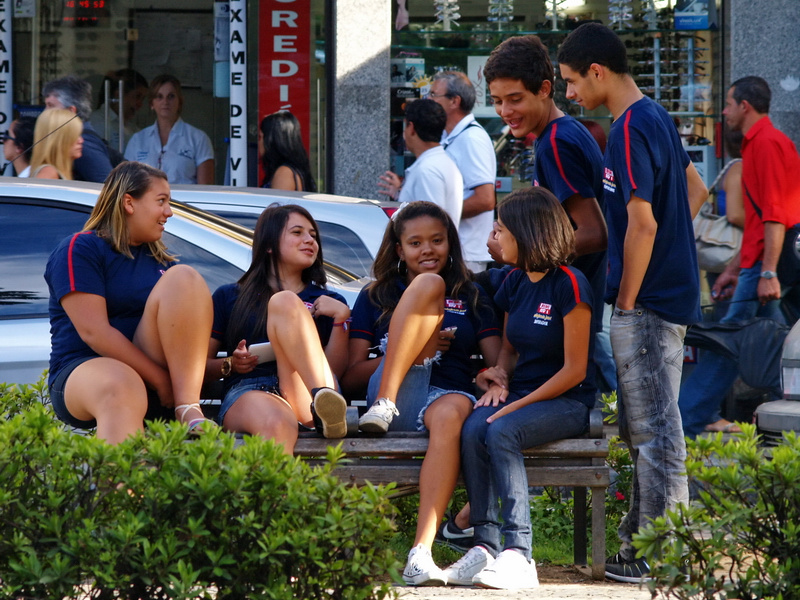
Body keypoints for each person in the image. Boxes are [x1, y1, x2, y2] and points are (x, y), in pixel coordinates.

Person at [557, 22, 708, 582]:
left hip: (644, 304)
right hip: (666, 297)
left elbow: (640, 223)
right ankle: (644, 546)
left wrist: (626, 298)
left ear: (598, 71)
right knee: (650, 429)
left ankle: (664, 558)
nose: (570, 94)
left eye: (572, 81)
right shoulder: (657, 116)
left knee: (654, 435)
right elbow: (696, 191)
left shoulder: (625, 130)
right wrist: (667, 254)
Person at [441, 186, 594, 590]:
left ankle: (520, 555)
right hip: (523, 394)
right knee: (475, 427)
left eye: (501, 229)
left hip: (567, 401)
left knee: (501, 429)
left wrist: (515, 406)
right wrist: (499, 378)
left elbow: (575, 369)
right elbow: (508, 348)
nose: (495, 236)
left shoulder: (571, 285)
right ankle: (485, 545)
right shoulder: (514, 281)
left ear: (527, 233)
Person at [342, 201, 501, 586]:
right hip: (393, 397)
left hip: (448, 394)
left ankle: (420, 554)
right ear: (399, 249)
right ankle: (387, 400)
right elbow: (349, 377)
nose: (427, 250)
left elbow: (496, 363)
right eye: (415, 243)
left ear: (451, 243)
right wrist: (414, 346)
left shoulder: (473, 293)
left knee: (450, 415)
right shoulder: (375, 296)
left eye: (437, 240)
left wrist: (490, 376)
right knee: (428, 286)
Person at [43, 161, 214, 445]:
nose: (168, 213)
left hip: (150, 368)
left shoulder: (161, 262)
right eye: (161, 201)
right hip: (84, 368)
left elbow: (185, 341)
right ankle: (121, 489)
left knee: (184, 277)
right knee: (122, 384)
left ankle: (187, 406)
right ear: (129, 203)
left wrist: (231, 364)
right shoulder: (81, 248)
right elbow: (94, 332)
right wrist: (160, 381)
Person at [681, 77, 800, 437]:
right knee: (771, 339)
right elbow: (757, 220)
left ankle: (691, 414)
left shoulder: (766, 144)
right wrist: (736, 268)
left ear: (745, 106)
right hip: (761, 263)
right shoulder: (759, 144)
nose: (724, 111)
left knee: (731, 340)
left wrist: (765, 273)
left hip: (768, 263)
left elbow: (775, 215)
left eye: (729, 104)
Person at [483, 34, 608, 356]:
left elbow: (594, 234)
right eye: (497, 101)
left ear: (544, 89)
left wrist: (520, 254)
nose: (505, 111)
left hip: (572, 308)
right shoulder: (565, 131)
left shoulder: (556, 143)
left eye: (515, 99)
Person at [206, 204, 350, 453]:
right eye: (297, 233)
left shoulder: (330, 301)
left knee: (285, 302)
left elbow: (333, 370)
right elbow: (199, 367)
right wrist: (230, 364)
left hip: (307, 394)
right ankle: (283, 493)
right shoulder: (230, 296)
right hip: (250, 390)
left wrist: (340, 319)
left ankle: (323, 400)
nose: (310, 241)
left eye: (313, 235)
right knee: (276, 423)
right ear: (269, 245)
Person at [679, 128, 748, 437]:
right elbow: (735, 214)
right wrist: (770, 219)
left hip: (722, 262)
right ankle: (697, 411)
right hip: (732, 261)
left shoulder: (734, 167)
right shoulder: (739, 167)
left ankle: (704, 410)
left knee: (725, 337)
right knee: (730, 339)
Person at [428, 71, 497, 272]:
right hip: (456, 252)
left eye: (434, 95)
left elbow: (485, 200)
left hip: (467, 255)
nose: (429, 100)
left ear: (454, 101)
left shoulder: (471, 139)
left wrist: (438, 217)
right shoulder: (452, 136)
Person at [377, 98, 464, 226]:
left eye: (405, 126)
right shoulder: (439, 163)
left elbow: (431, 225)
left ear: (411, 128)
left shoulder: (427, 171)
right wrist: (400, 195)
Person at [124, 74, 215, 185]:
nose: (165, 102)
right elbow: (127, 185)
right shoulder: (137, 140)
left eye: (171, 96)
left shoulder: (198, 138)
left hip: (184, 201)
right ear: (152, 103)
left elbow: (205, 189)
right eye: (159, 96)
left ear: (180, 101)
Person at [43, 75, 114, 183]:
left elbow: (109, 188)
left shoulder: (83, 144)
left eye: (51, 106)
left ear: (71, 111)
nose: (45, 112)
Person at [90, 68, 149, 151]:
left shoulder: (133, 129)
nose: (140, 104)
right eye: (137, 96)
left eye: (142, 99)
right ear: (118, 94)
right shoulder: (97, 123)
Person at [258, 111, 317, 191]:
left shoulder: (284, 173)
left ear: (271, 140)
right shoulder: (294, 169)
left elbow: (279, 202)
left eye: (260, 137)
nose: (259, 143)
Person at [30, 109, 83, 180]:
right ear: (59, 140)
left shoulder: (51, 172)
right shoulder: (48, 173)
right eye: (75, 135)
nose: (81, 140)